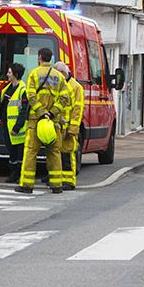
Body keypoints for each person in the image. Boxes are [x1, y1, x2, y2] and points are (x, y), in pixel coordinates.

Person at [16, 48, 70, 194]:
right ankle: (56, 186)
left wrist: (41, 113)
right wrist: (51, 114)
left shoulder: (33, 74)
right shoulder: (59, 76)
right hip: (53, 122)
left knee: (31, 152)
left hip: (35, 121)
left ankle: (26, 186)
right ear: (50, 58)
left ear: (39, 57)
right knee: (54, 153)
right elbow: (65, 98)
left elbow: (31, 96)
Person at [54, 61, 84, 190]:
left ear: (62, 73)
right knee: (56, 154)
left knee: (67, 155)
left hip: (67, 128)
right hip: (57, 127)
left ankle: (69, 181)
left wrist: (73, 129)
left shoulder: (76, 87)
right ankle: (57, 179)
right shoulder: (60, 84)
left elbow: (77, 110)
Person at [0, 62, 27, 183]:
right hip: (7, 126)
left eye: (9, 72)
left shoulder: (23, 90)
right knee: (11, 152)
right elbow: (1, 104)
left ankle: (20, 174)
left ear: (16, 74)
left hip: (18, 128)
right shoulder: (7, 88)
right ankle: (13, 173)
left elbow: (24, 112)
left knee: (20, 153)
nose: (7, 75)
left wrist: (17, 127)